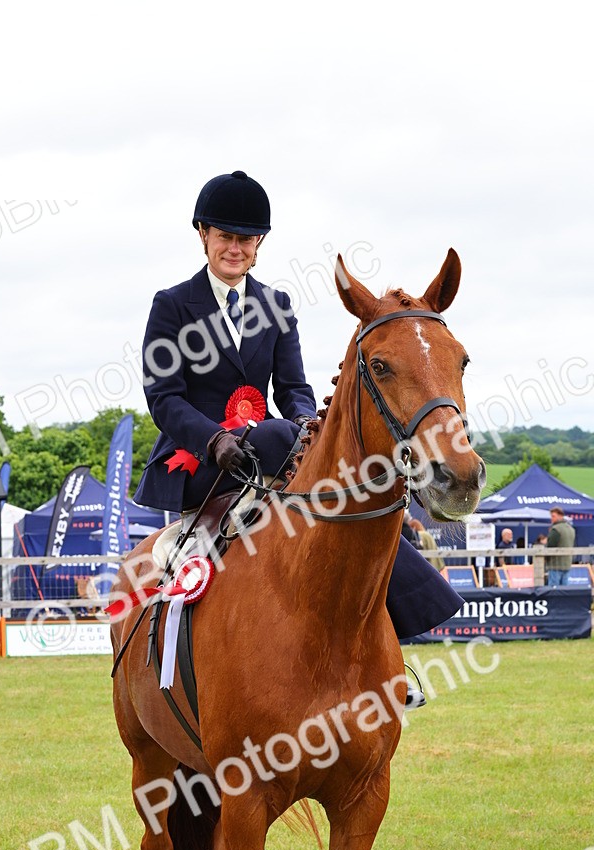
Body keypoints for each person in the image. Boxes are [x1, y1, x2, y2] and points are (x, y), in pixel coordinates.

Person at [132, 170, 466, 699]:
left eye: (246, 239)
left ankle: (386, 662)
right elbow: (163, 397)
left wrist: (309, 430)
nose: (235, 249)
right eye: (225, 237)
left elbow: (293, 388)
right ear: (203, 234)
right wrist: (213, 440)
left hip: (271, 448)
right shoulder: (172, 305)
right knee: (210, 539)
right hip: (203, 462)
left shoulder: (277, 304)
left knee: (352, 521)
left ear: (259, 243)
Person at [545, 507, 575, 586]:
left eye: (553, 516)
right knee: (564, 592)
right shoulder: (571, 529)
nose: (551, 519)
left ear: (560, 516)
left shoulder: (556, 529)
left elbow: (550, 546)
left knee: (554, 591)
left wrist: (546, 559)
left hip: (555, 564)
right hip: (567, 563)